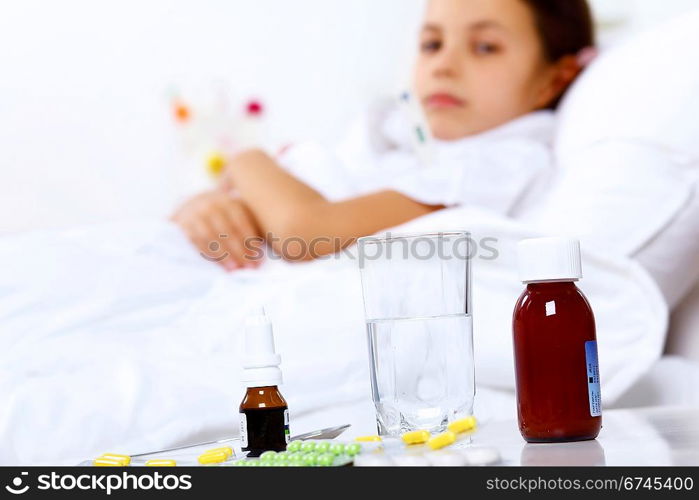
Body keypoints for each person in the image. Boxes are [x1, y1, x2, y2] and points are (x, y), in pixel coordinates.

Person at [171, 0, 595, 269]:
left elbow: (305, 232)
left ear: (555, 79)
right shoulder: (395, 143)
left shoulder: (500, 162)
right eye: (431, 44)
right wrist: (205, 209)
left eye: (485, 47)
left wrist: (246, 160)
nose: (444, 66)